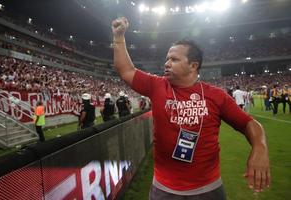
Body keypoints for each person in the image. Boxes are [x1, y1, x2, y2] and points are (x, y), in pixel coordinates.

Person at [112, 17, 270, 199]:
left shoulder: (215, 95)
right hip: (164, 189)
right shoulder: (157, 86)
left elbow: (248, 123)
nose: (166, 63)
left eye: (174, 59)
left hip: (208, 189)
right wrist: (118, 37)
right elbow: (126, 70)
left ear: (193, 66)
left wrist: (260, 147)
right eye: (166, 59)